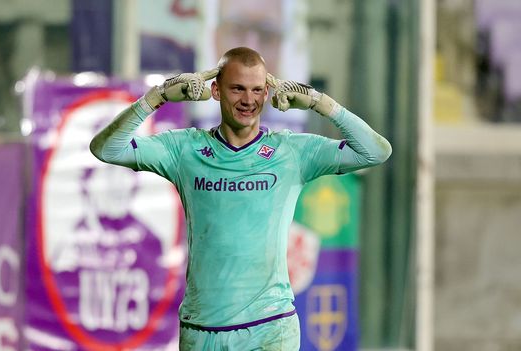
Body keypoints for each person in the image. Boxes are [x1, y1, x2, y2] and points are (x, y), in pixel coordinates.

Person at [90, 47, 392, 350]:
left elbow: (375, 151)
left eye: (257, 90)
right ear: (216, 90)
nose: (249, 100)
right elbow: (107, 149)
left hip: (270, 327)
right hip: (202, 330)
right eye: (238, 89)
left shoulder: (291, 152)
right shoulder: (184, 149)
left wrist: (319, 102)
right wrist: (157, 97)